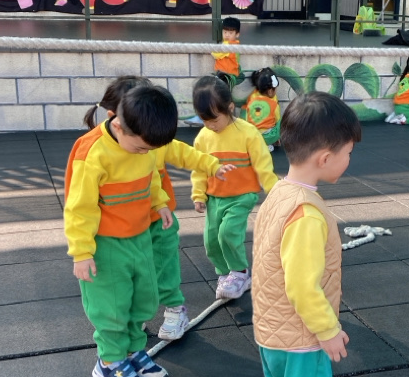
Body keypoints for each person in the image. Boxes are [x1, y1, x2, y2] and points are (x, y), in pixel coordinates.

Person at [252, 92, 362, 377]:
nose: (349, 160)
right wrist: (328, 330)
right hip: (300, 335)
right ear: (324, 157)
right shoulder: (307, 213)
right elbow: (302, 285)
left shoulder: (280, 193)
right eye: (347, 153)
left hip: (271, 329)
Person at [82, 76, 235, 341]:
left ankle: (175, 308)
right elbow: (82, 203)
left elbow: (183, 154)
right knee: (133, 274)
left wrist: (211, 165)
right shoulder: (107, 151)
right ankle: (134, 317)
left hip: (158, 219)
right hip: (130, 227)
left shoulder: (152, 140)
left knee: (164, 267)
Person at [64, 82, 176, 377]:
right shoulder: (93, 153)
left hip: (139, 236)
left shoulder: (143, 146)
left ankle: (133, 350)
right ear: (117, 126)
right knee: (111, 305)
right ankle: (109, 361)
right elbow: (79, 207)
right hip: (106, 245)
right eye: (140, 148)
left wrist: (159, 202)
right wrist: (82, 252)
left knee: (143, 298)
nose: (145, 154)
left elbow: (151, 177)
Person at [191, 75, 278, 300]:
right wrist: (198, 193)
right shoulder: (203, 137)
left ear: (230, 108)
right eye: (204, 120)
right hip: (215, 197)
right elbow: (199, 167)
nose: (210, 125)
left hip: (242, 194)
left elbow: (263, 164)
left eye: (214, 119)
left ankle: (240, 273)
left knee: (228, 232)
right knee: (211, 241)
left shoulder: (247, 133)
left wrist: (274, 190)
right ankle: (224, 273)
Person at [241, 67, 281, 150]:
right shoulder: (274, 104)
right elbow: (277, 120)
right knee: (282, 122)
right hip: (268, 137)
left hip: (253, 135)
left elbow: (246, 117)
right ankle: (266, 145)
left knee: (244, 108)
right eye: (275, 89)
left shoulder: (251, 98)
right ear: (270, 91)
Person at [212, 16, 245, 88]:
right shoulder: (236, 43)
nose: (227, 35)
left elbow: (215, 54)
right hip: (232, 73)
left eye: (230, 33)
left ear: (237, 34)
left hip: (226, 74)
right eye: (225, 32)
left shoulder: (228, 45)